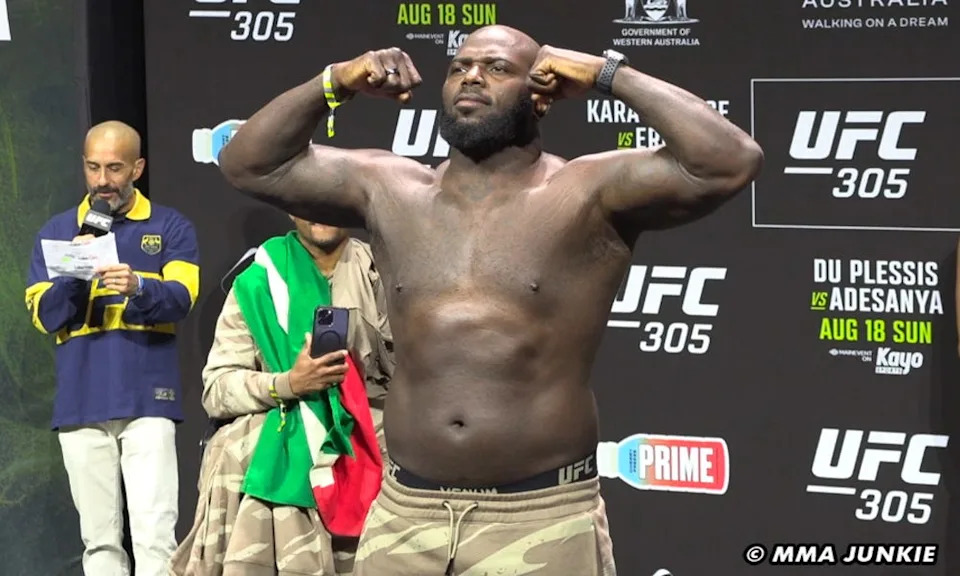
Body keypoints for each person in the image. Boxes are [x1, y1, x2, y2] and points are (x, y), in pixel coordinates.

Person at [217, 25, 763, 576]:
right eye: (459, 67)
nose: (472, 77)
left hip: (540, 516)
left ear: (542, 94)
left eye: (497, 68)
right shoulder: (391, 189)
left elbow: (728, 161)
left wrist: (607, 74)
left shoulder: (587, 191)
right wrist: (335, 81)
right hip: (405, 513)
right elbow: (249, 164)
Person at [169, 217, 394, 576]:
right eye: (308, 201)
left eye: (328, 200)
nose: (319, 212)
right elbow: (218, 389)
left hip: (371, 440)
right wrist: (289, 383)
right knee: (238, 446)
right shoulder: (258, 281)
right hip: (284, 434)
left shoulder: (387, 277)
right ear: (291, 209)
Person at [24, 121, 200, 576]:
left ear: (137, 168)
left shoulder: (170, 226)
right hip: (81, 404)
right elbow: (45, 316)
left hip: (148, 402)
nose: (102, 180)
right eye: (93, 167)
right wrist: (75, 271)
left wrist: (139, 285)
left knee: (155, 537)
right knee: (99, 544)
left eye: (115, 168)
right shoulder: (57, 231)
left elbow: (182, 299)